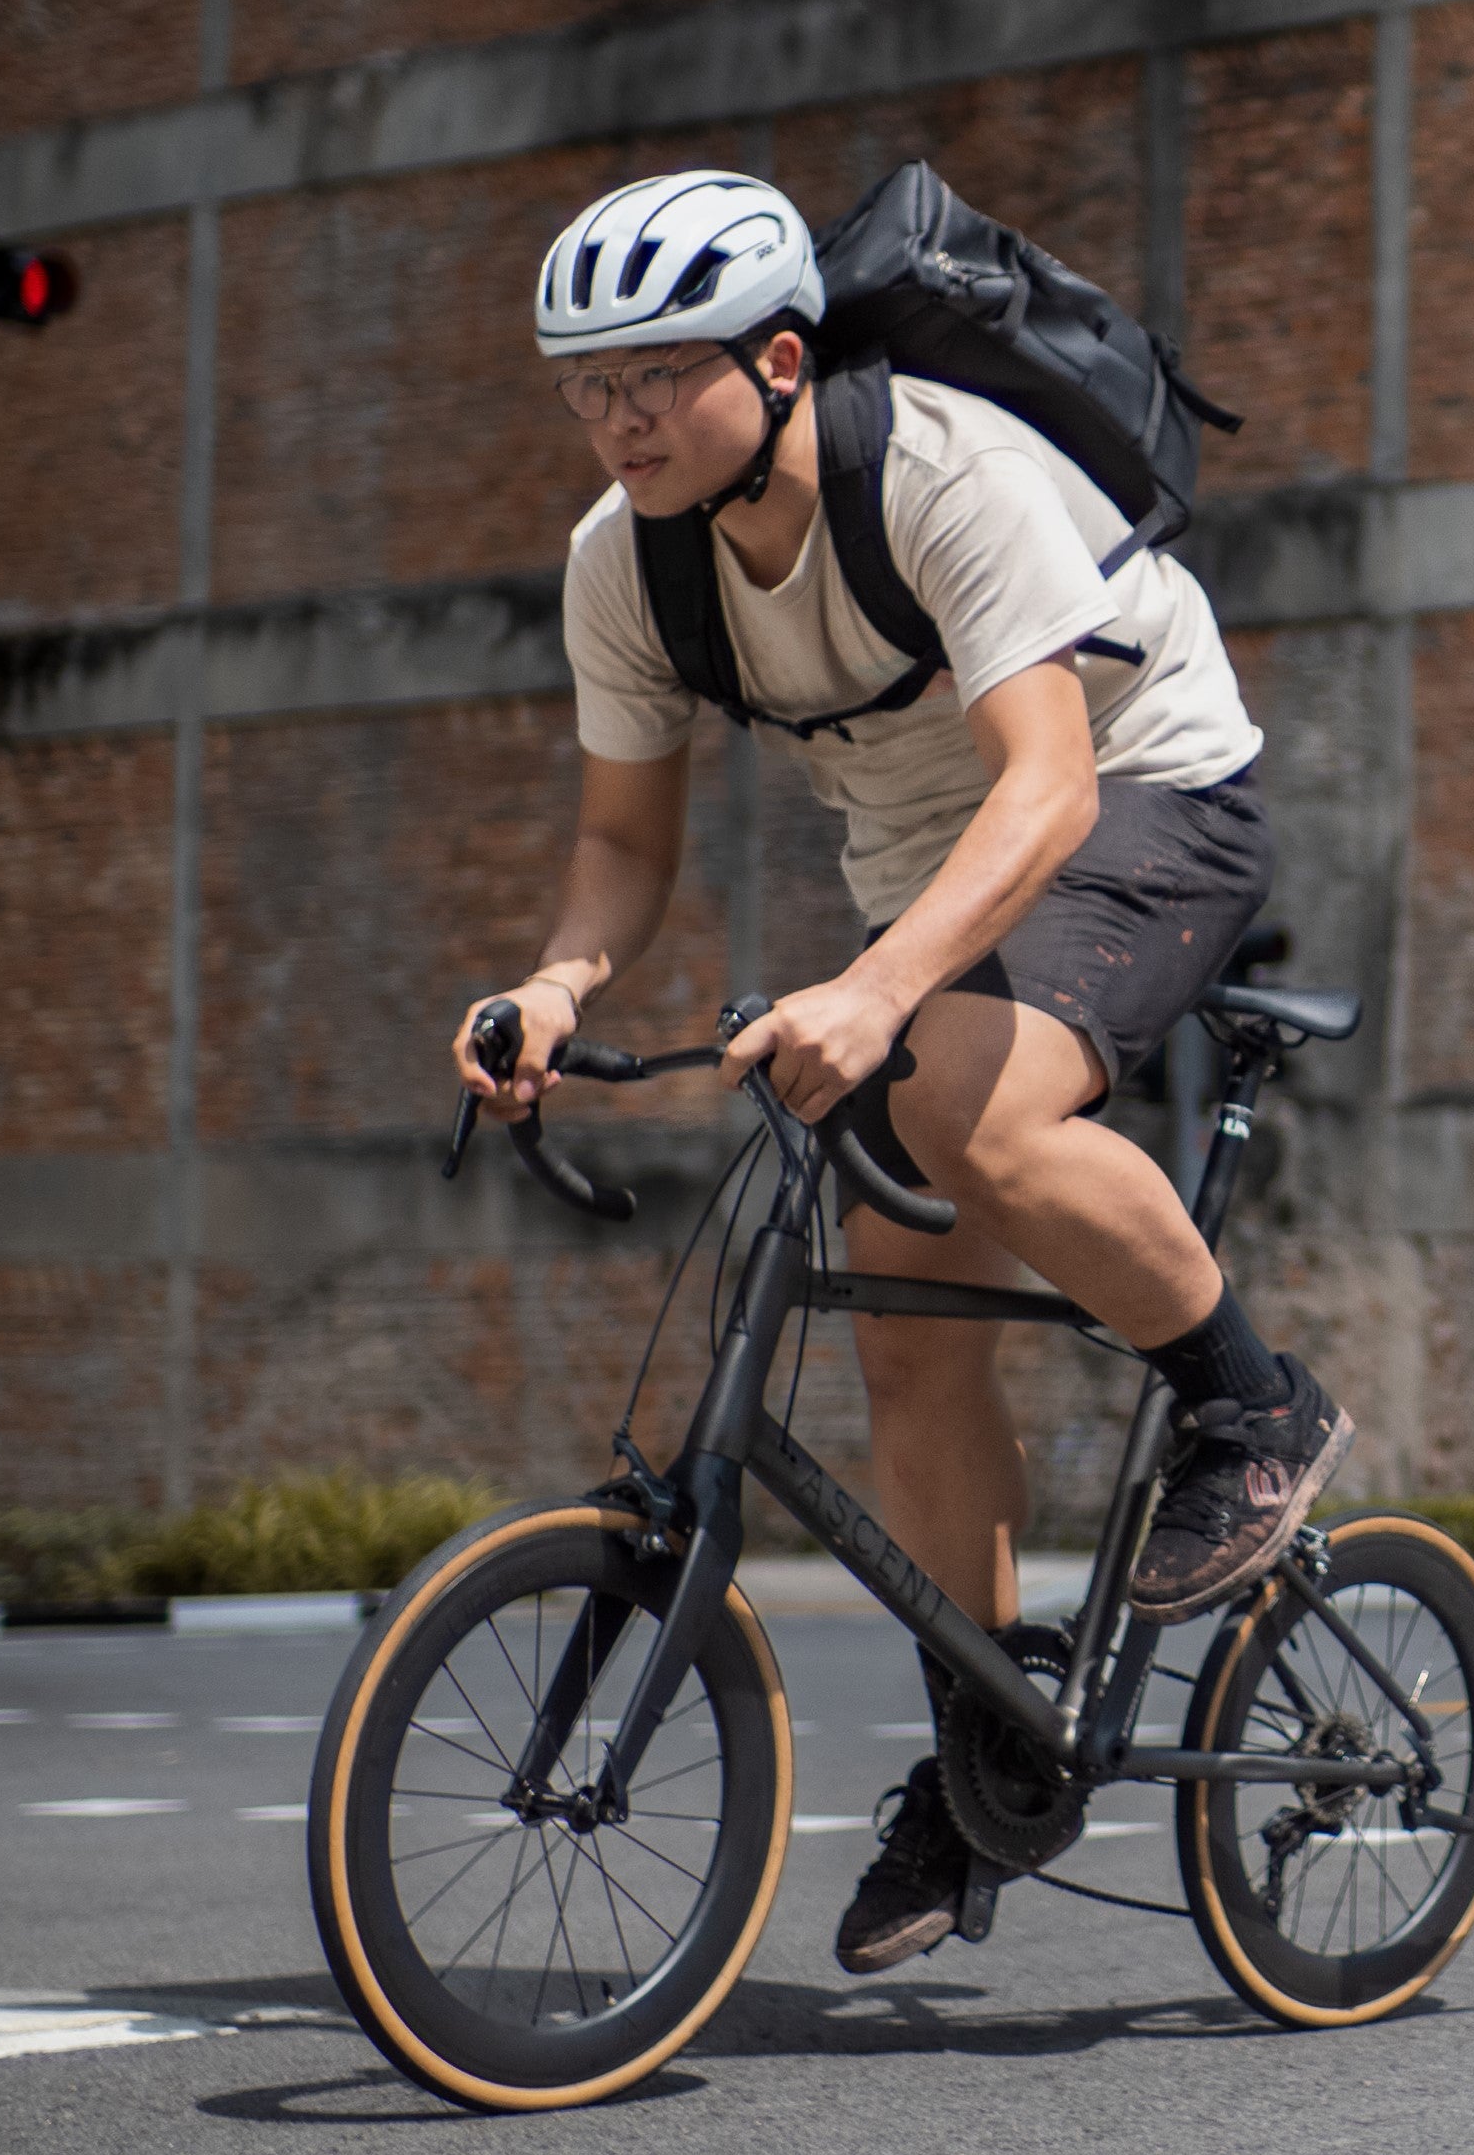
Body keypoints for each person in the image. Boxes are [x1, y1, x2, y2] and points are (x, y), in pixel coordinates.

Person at [450, 169, 1348, 1975]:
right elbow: (622, 843)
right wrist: (552, 984)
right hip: (932, 874)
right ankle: (992, 1739)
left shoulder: (943, 472)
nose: (620, 417)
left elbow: (1052, 784)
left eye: (659, 373)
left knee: (954, 1099)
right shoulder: (625, 561)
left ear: (780, 362)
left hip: (1145, 792)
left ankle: (1255, 1413)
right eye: (587, 385)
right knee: (906, 1325)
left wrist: (874, 994)